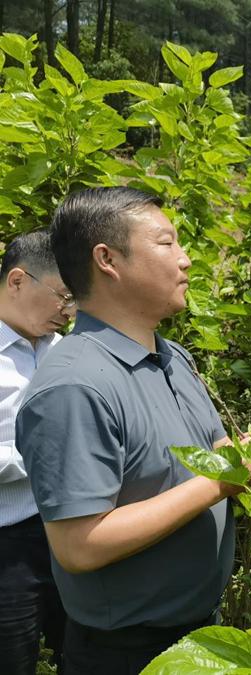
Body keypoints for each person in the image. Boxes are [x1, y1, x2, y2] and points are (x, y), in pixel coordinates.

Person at [16, 187, 246, 675]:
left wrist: (236, 455)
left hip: (203, 632)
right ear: (107, 260)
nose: (185, 260)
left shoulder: (172, 357)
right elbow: (80, 545)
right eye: (166, 243)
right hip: (129, 654)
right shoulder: (74, 387)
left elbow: (206, 451)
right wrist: (216, 485)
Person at [0, 231, 75, 674]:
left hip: (66, 530)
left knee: (82, 652)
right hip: (7, 545)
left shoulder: (62, 350)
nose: (68, 312)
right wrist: (50, 457)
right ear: (17, 281)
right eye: (62, 296)